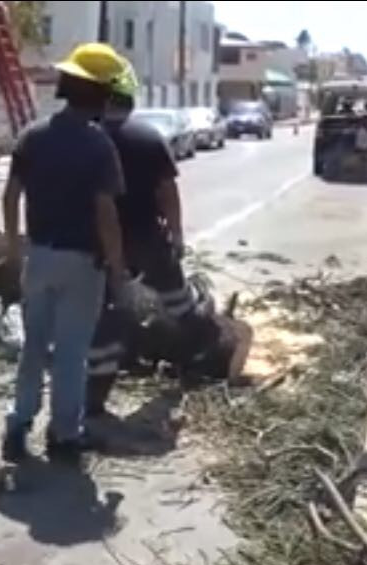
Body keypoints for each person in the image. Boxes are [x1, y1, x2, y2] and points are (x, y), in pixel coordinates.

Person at [1, 43, 127, 463]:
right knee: (72, 352)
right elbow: (105, 213)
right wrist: (118, 268)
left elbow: (11, 193)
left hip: (39, 256)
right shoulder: (99, 147)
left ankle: (19, 424)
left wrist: (11, 244)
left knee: (33, 346)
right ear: (101, 94)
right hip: (81, 263)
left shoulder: (33, 136)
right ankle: (64, 434)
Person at [85, 62, 220, 417]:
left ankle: (95, 400)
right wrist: (176, 234)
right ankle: (200, 355)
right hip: (147, 239)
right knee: (179, 303)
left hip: (101, 243)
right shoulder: (147, 138)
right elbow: (167, 192)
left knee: (109, 317)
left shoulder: (90, 138)